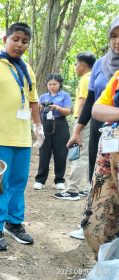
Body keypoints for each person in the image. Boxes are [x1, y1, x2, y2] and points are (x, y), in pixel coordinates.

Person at [0, 22, 44, 250]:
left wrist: (37, 126)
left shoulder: (26, 68)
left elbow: (32, 99)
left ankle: (14, 223)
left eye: (25, 41)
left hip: (22, 137)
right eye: (16, 39)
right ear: (5, 38)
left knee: (18, 183)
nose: (20, 44)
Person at [66, 15, 119, 240]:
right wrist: (77, 130)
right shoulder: (101, 64)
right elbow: (90, 102)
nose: (117, 41)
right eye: (114, 36)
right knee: (98, 179)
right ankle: (93, 224)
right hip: (102, 131)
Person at [82, 70, 119, 260]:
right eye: (113, 37)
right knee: (95, 219)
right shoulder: (118, 76)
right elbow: (97, 109)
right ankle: (105, 267)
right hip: (110, 154)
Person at [54, 52, 95, 201]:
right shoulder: (96, 77)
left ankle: (72, 190)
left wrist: (78, 123)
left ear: (83, 65)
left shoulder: (85, 79)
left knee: (78, 153)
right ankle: (90, 186)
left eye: (77, 64)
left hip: (84, 120)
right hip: (95, 120)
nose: (76, 68)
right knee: (91, 154)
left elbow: (84, 102)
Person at [33, 74, 72, 190]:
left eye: (54, 84)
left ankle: (59, 180)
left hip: (60, 124)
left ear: (60, 84)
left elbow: (68, 111)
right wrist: (40, 107)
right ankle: (40, 180)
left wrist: (56, 108)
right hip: (46, 124)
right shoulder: (43, 96)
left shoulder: (65, 95)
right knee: (44, 152)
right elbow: (37, 111)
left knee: (61, 153)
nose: (52, 86)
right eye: (50, 84)